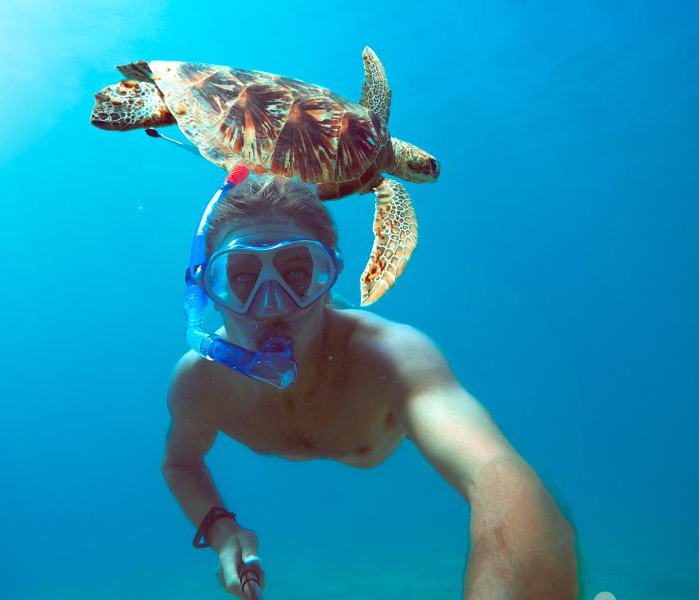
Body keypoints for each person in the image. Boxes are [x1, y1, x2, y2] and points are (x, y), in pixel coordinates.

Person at [162, 175, 578, 599]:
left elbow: (495, 472)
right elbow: (181, 464)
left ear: (328, 278)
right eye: (243, 277)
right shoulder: (200, 382)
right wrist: (220, 527)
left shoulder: (391, 357)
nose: (273, 305)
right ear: (211, 291)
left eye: (297, 272)